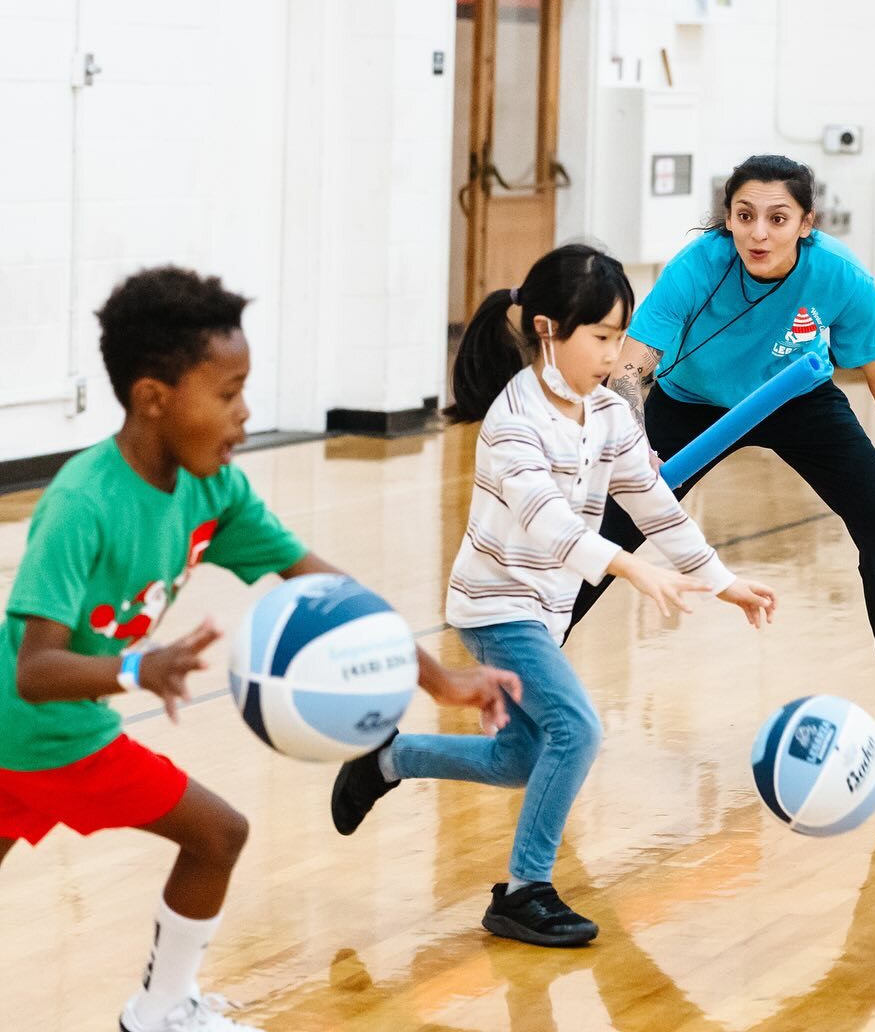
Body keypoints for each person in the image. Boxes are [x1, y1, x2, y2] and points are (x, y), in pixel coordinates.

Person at [0, 267, 516, 1032]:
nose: (245, 414)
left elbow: (332, 592)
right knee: (219, 835)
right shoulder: (83, 501)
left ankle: (162, 1008)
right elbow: (35, 670)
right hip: (40, 733)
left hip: (49, 732)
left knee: (216, 836)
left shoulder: (215, 490)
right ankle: (161, 1010)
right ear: (154, 397)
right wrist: (140, 666)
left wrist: (438, 680)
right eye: (228, 392)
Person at [330, 244, 776, 948]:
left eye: (617, 336)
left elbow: (655, 503)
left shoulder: (605, 413)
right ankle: (523, 891)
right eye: (599, 337)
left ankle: (386, 760)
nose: (613, 353)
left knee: (520, 759)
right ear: (548, 331)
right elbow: (554, 525)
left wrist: (722, 581)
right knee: (578, 730)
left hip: (545, 609)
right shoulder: (514, 422)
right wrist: (633, 570)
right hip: (496, 606)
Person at [568, 153, 875, 754]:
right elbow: (631, 368)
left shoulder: (841, 277)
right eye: (745, 216)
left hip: (797, 400)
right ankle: (532, 655)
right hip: (692, 402)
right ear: (728, 219)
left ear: (805, 223)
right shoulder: (697, 268)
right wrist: (632, 445)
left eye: (777, 218)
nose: (759, 233)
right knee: (619, 527)